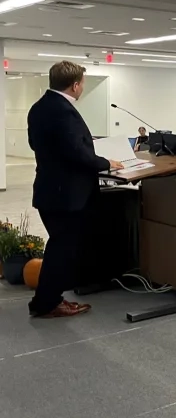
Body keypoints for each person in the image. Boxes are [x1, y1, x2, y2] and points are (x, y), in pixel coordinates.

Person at [27, 61, 123, 318]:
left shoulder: (39, 107)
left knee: (59, 247)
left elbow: (36, 143)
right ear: (75, 84)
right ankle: (47, 303)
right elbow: (75, 153)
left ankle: (46, 300)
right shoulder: (63, 111)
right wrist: (106, 163)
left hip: (49, 189)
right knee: (62, 250)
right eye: (82, 83)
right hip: (66, 195)